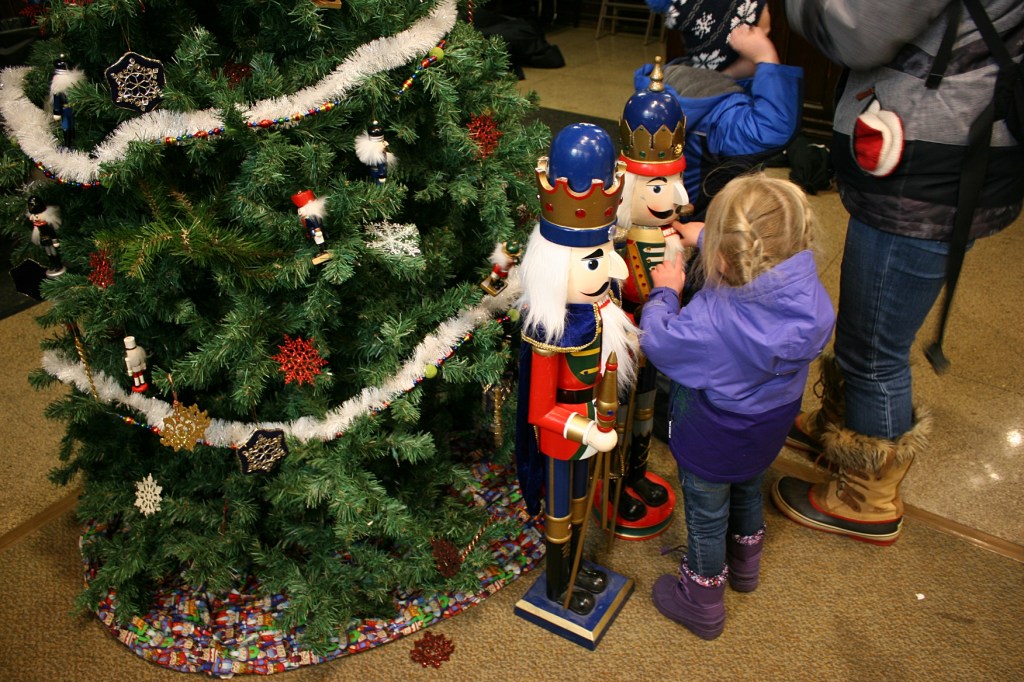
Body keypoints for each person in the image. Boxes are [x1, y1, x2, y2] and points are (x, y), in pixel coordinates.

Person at [772, 0, 1024, 545]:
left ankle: (868, 496)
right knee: (869, 321)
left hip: (928, 170)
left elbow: (857, 28)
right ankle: (842, 430)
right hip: (948, 150)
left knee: (874, 347)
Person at [640, 174, 835, 640]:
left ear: (723, 260)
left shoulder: (712, 321)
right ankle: (745, 568)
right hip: (769, 424)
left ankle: (702, 602)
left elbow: (661, 343)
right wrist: (707, 235)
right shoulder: (814, 301)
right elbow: (759, 261)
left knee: (707, 517)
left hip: (714, 432)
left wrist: (666, 290)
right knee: (748, 487)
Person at [515, 122, 640, 615]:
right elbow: (540, 406)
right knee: (561, 509)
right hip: (565, 435)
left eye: (607, 253)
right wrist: (587, 428)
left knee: (584, 501)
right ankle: (556, 582)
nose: (615, 270)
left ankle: (578, 566)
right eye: (595, 260)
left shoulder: (599, 312)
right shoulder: (550, 333)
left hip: (594, 427)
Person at [612, 59, 690, 524]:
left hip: (655, 345)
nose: (677, 197)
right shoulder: (616, 240)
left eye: (678, 180)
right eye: (661, 184)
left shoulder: (671, 235)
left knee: (646, 412)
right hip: (622, 348)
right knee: (619, 416)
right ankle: (613, 481)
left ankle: (637, 471)